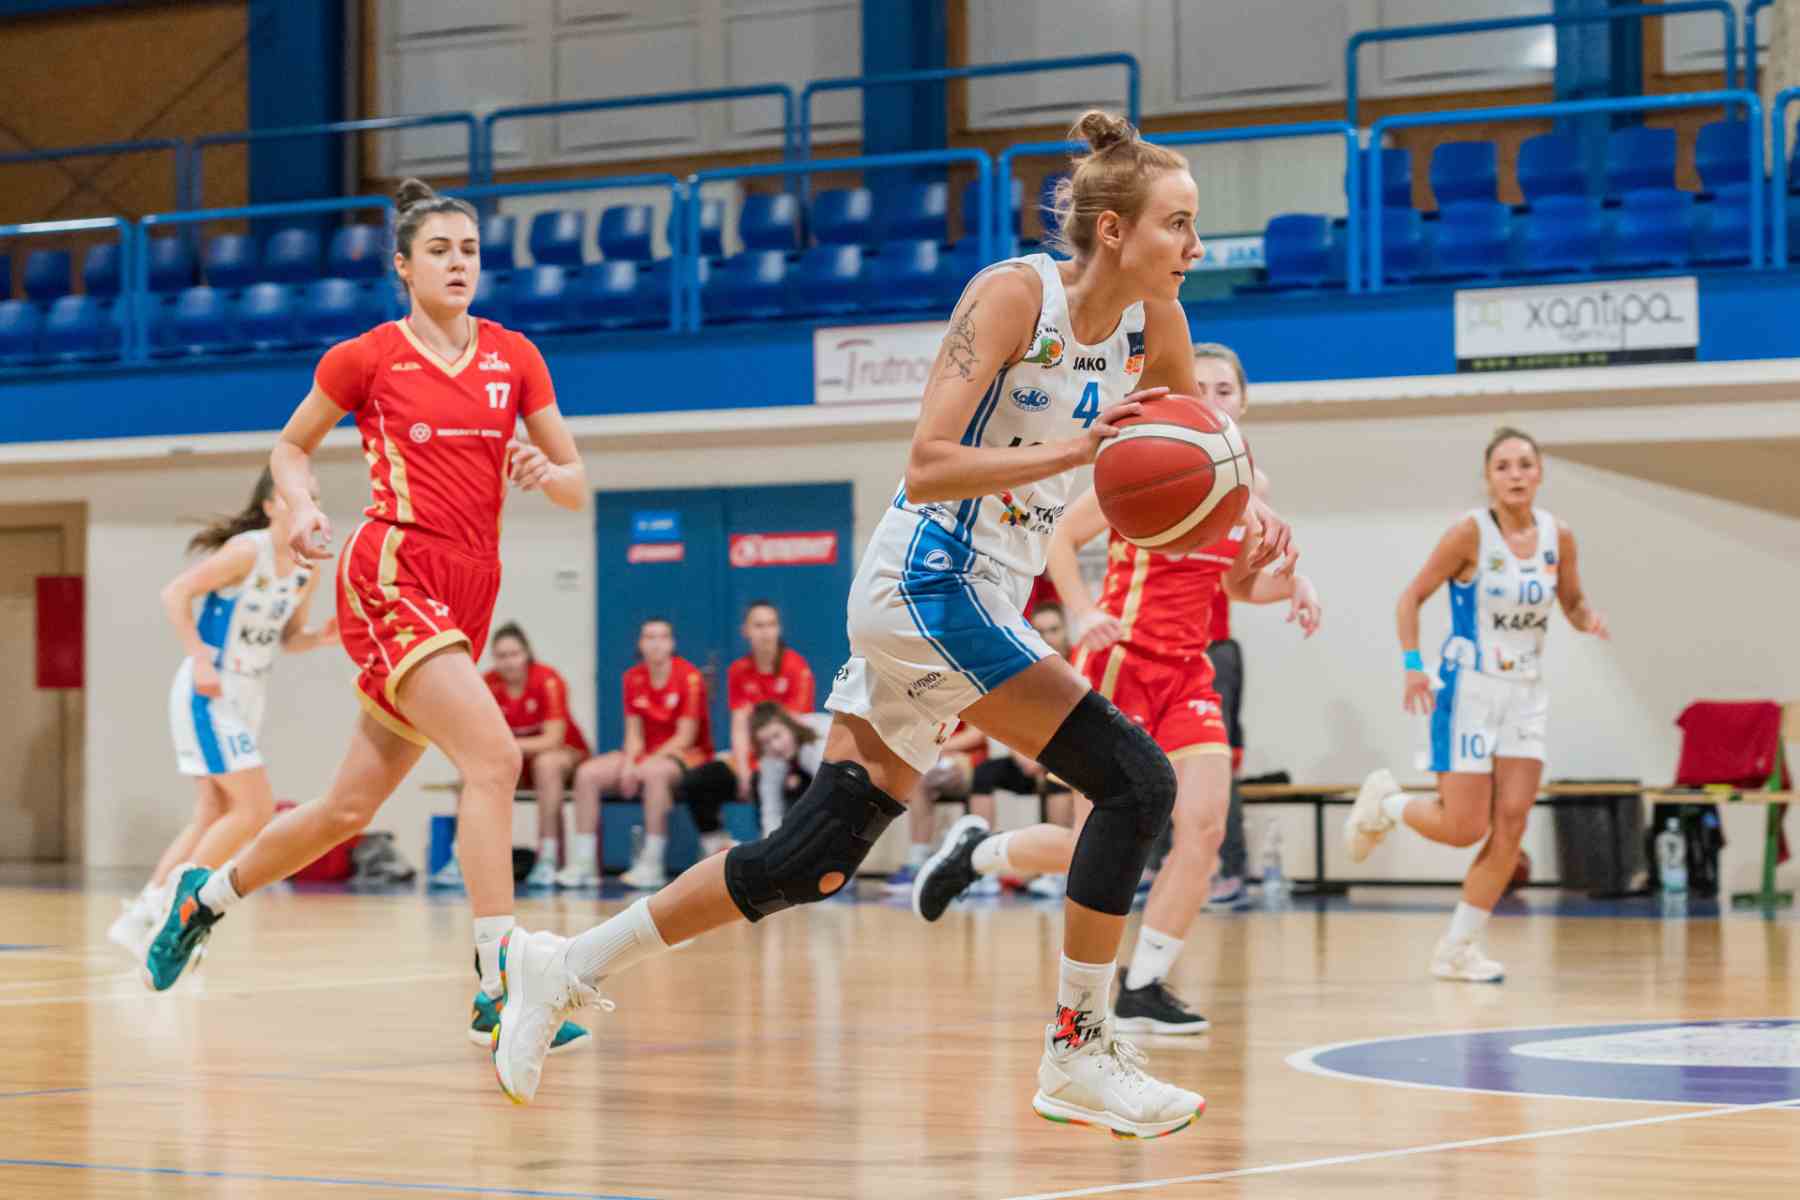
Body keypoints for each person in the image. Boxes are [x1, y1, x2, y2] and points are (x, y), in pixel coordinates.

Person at [489, 110, 1294, 1137]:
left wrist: (1247, 511)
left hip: (986, 596)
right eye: (1178, 224)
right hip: (925, 579)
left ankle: (563, 964)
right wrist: (1075, 452)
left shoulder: (1158, 322)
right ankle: (1078, 1050)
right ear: (1112, 230)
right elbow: (928, 462)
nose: (1196, 246)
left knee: (812, 859)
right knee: (1136, 782)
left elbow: (1195, 451)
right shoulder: (1015, 296)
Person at [139, 178, 594, 1059]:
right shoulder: (368, 357)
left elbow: (576, 484)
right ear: (404, 268)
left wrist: (546, 471)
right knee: (495, 759)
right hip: (393, 570)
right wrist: (304, 507)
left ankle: (204, 898)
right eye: (440, 251)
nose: (459, 264)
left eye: (469, 250)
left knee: (347, 809)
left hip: (472, 586)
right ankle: (500, 988)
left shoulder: (515, 356)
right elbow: (290, 446)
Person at [911, 451, 1321, 1036]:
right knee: (1094, 845)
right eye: (1212, 397)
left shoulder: (1253, 491)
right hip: (1121, 662)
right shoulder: (1150, 462)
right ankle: (979, 853)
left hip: (1188, 673)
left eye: (1230, 399)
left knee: (1204, 830)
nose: (1220, 404)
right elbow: (1060, 539)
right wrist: (1082, 611)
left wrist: (1294, 585)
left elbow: (1236, 583)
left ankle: (1142, 985)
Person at [1345, 427, 1608, 983]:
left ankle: (1457, 948)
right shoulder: (1470, 532)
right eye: (1503, 466)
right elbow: (1411, 597)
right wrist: (1413, 665)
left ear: (1540, 473)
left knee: (1512, 824)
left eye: (1525, 464)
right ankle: (1388, 804)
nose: (1516, 475)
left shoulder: (1558, 536)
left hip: (1527, 694)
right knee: (1464, 827)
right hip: (1469, 689)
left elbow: (1573, 600)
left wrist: (1589, 620)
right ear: (1488, 478)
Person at [107, 469, 336, 959]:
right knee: (254, 810)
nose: (308, 502)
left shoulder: (306, 567)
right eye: (295, 495)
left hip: (251, 692)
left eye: (314, 496)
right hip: (210, 689)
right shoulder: (247, 551)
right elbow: (175, 593)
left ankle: (139, 918)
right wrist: (199, 658)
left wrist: (322, 637)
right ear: (270, 506)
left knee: (213, 812)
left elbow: (289, 638)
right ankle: (167, 912)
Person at [569, 618, 720, 890]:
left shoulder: (689, 677)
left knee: (654, 773)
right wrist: (629, 763)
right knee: (587, 773)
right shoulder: (632, 677)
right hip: (646, 755)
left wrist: (644, 764)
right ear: (640, 644)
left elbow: (684, 737)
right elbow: (633, 733)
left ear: (672, 643)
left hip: (687, 755)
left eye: (662, 637)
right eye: (649, 637)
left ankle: (651, 862)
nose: (656, 644)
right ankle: (584, 862)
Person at [962, 602, 1076, 899]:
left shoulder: (1078, 669)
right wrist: (1023, 754)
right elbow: (1009, 719)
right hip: (1026, 755)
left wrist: (1045, 757)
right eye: (1041, 631)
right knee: (983, 774)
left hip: (1062, 757)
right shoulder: (1020, 670)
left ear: (1065, 632)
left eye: (1054, 630)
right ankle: (980, 866)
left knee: (1061, 777)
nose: (1048, 637)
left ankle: (1058, 873)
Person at [482, 623, 594, 889]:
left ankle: (547, 856)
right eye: (501, 656)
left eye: (514, 654)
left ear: (527, 653)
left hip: (565, 755)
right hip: (519, 759)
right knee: (476, 768)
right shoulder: (488, 683)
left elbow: (552, 739)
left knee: (547, 764)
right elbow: (482, 736)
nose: (508, 662)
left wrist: (505, 746)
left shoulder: (548, 680)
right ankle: (468, 855)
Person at [726, 600, 816, 800]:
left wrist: (779, 765)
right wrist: (742, 770)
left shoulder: (796, 667)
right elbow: (739, 725)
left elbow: (795, 725)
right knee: (704, 780)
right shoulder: (738, 670)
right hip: (756, 754)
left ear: (779, 629)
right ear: (745, 631)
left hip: (790, 752)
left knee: (775, 780)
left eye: (771, 624)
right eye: (759, 625)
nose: (766, 632)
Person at [747, 702, 829, 835]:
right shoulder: (770, 757)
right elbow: (771, 810)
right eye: (765, 743)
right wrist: (772, 843)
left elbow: (826, 795)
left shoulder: (816, 744)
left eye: (777, 735)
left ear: (790, 726)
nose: (775, 746)